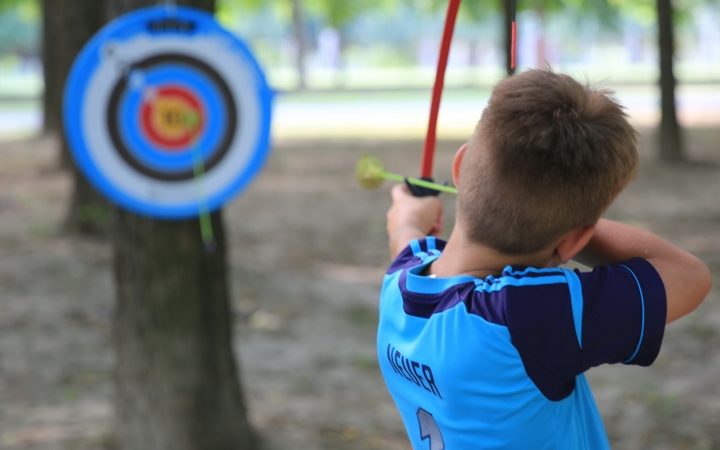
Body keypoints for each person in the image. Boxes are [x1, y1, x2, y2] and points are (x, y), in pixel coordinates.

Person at [377, 68, 712, 449]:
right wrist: (565, 220)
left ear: (459, 168)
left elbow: (404, 234)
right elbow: (689, 275)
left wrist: (407, 212)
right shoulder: (524, 314)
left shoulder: (401, 280)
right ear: (575, 241)